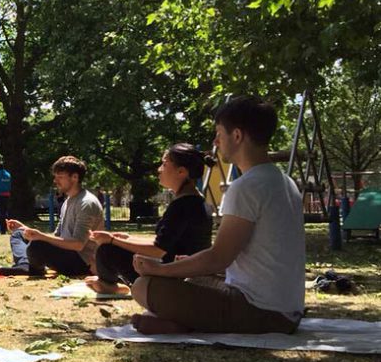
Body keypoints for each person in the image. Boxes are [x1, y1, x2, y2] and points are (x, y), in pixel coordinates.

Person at [129, 96, 305, 334]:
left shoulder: (246, 187)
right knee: (192, 278)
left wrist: (159, 270)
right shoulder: (285, 181)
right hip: (288, 310)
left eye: (219, 134)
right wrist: (191, 265)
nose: (215, 141)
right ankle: (180, 322)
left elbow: (218, 257)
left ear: (237, 136)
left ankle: (184, 324)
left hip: (263, 312)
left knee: (143, 285)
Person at [86, 144, 213, 295]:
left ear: (181, 171)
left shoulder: (183, 206)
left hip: (175, 277)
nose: (159, 169)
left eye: (164, 164)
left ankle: (108, 285)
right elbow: (165, 244)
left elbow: (158, 251)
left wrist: (112, 240)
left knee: (107, 250)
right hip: (183, 271)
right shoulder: (194, 201)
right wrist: (129, 238)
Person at [0, 156, 103, 278]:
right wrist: (26, 229)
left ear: (75, 177)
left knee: (37, 245)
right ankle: (25, 265)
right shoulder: (68, 201)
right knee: (19, 234)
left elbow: (78, 244)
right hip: (66, 252)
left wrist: (40, 237)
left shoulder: (86, 203)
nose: (55, 181)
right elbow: (57, 237)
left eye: (60, 177)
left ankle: (34, 268)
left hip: (82, 262)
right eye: (55, 177)